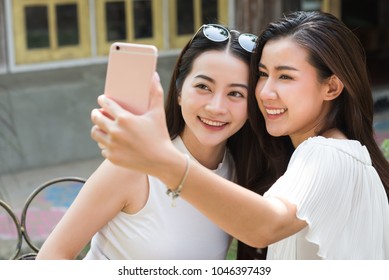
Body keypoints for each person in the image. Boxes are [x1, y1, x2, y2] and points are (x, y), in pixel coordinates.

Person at [90, 10, 389, 260]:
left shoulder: (328, 154)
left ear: (332, 87)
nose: (265, 92)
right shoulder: (330, 157)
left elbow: (266, 225)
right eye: (262, 74)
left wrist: (160, 160)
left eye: (285, 76)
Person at [36, 24, 261, 260]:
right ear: (179, 92)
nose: (216, 107)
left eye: (235, 93)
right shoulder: (132, 167)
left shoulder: (239, 172)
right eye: (203, 86)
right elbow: (50, 259)